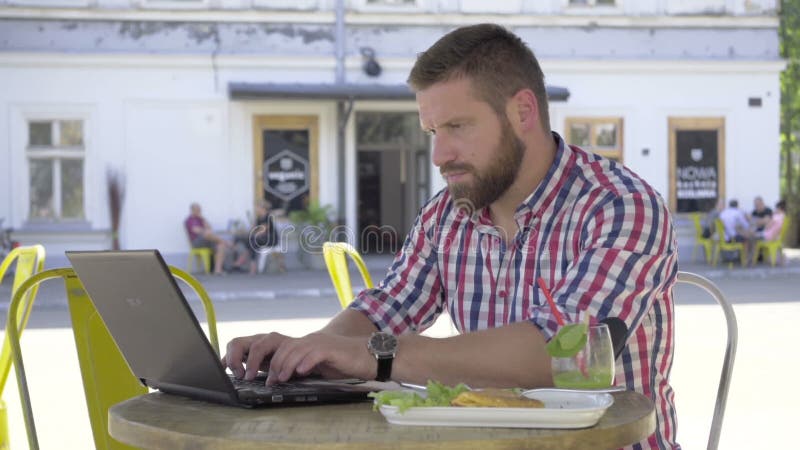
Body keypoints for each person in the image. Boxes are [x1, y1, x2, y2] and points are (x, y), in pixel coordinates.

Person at [223, 24, 679, 449]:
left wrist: (371, 356)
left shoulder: (621, 206)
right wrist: (306, 357)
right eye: (431, 132)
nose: (440, 154)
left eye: (458, 127)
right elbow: (389, 307)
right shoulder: (448, 214)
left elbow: (561, 355)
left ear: (522, 111)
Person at [184, 202, 231, 275]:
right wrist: (206, 231)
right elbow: (196, 230)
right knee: (207, 234)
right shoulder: (189, 220)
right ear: (192, 210)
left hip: (206, 241)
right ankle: (225, 242)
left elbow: (209, 228)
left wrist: (203, 219)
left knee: (221, 245)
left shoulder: (201, 219)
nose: (199, 211)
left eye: (199, 210)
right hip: (196, 242)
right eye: (197, 210)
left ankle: (217, 270)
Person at [246, 200, 287, 274]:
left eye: (257, 208)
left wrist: (254, 233)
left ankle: (253, 266)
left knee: (252, 241)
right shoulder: (259, 218)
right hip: (262, 239)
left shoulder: (268, 216)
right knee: (249, 241)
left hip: (271, 239)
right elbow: (254, 229)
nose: (256, 209)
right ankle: (252, 265)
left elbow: (263, 229)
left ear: (262, 208)